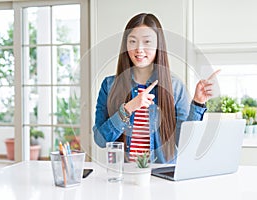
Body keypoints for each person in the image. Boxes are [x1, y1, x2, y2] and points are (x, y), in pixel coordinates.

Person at [93, 13, 219, 164]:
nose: (139, 49)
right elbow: (100, 139)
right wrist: (128, 109)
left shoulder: (175, 87)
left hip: (162, 176)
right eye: (132, 41)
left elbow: (184, 141)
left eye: (147, 42)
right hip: (124, 175)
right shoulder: (109, 85)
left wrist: (198, 103)